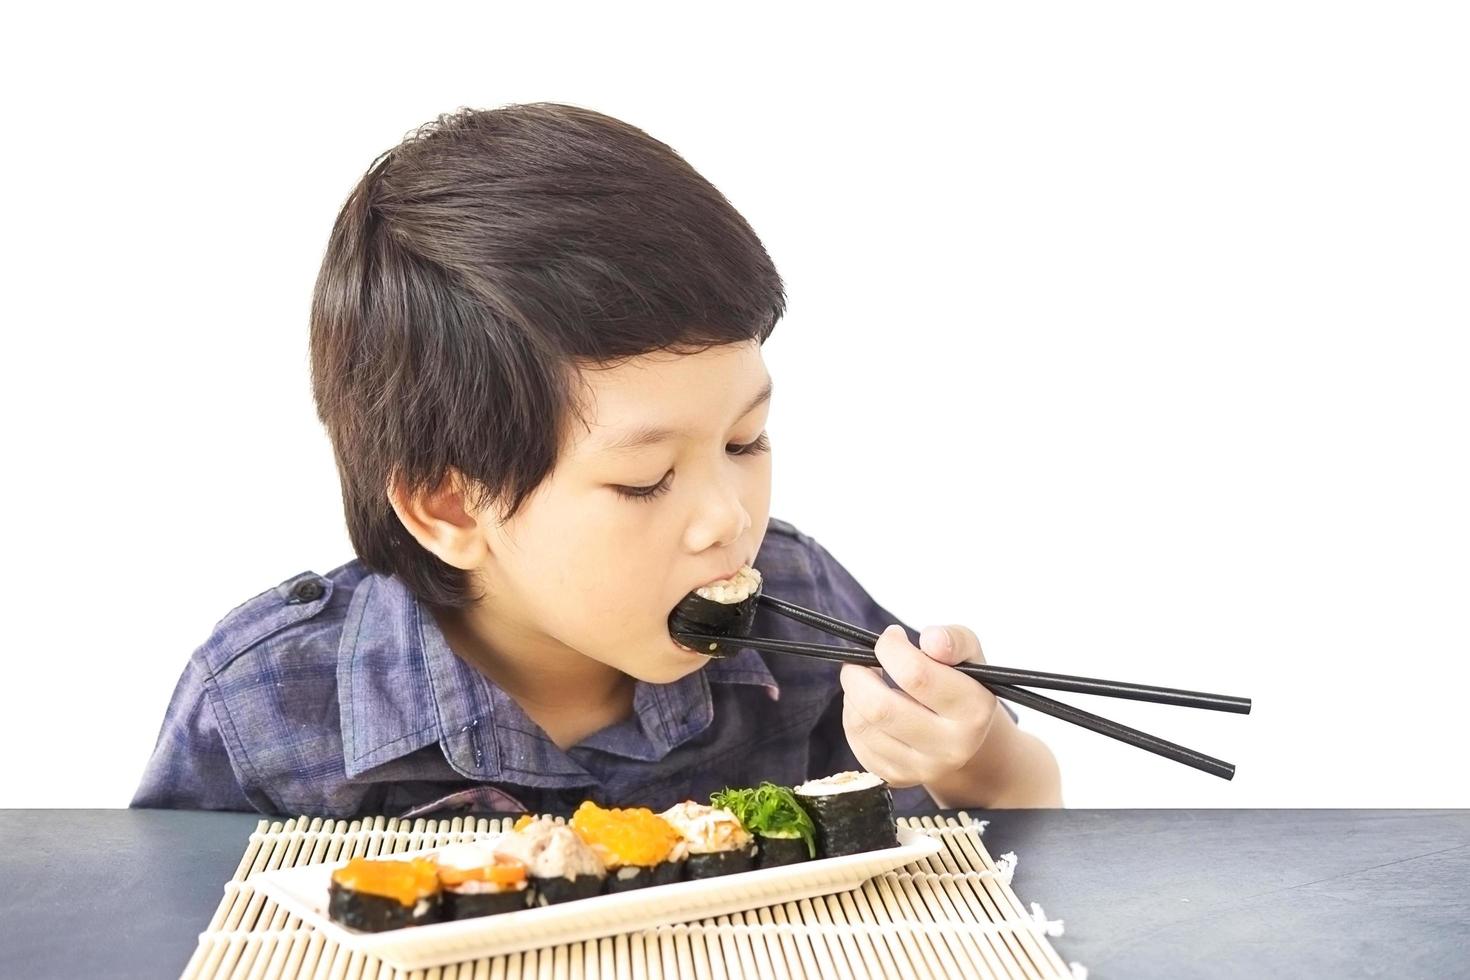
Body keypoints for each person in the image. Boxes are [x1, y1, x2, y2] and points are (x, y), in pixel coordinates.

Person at [132, 103, 1061, 819]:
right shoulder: (263, 702)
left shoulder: (799, 596)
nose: (729, 520)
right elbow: (166, 934)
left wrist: (974, 759)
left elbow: (1003, 849)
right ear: (450, 506)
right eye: (644, 480)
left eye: (745, 442)